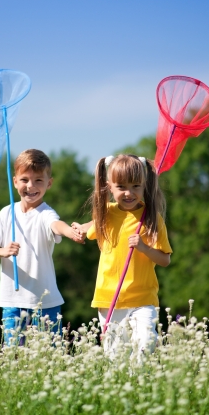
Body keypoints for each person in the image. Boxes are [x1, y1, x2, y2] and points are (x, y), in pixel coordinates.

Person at [72, 154, 172, 362]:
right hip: (110, 298)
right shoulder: (105, 213)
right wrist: (80, 229)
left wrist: (144, 248)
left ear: (145, 185)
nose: (129, 193)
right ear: (110, 187)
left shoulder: (152, 218)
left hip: (143, 298)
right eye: (121, 187)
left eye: (136, 186)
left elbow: (164, 260)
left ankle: (140, 384)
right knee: (116, 357)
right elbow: (91, 227)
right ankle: (124, 392)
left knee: (145, 344)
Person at [0, 149, 84, 345]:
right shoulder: (6, 213)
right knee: (13, 353)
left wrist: (70, 232)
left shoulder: (46, 213)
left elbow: (56, 225)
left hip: (44, 300)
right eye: (25, 180)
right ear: (15, 181)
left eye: (38, 180)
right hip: (12, 300)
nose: (31, 186)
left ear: (49, 183)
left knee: (50, 353)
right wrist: (4, 251)